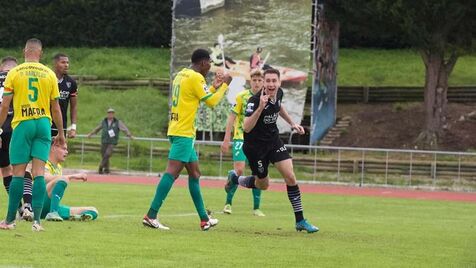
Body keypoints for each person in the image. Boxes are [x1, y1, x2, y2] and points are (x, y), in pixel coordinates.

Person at [143, 48, 232, 231]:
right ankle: (151, 215)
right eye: (209, 64)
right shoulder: (195, 77)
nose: (210, 68)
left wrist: (214, 86)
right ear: (202, 63)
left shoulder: (181, 75)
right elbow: (212, 102)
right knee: (172, 173)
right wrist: (225, 85)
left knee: (195, 174)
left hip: (178, 129)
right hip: (184, 132)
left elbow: (195, 97)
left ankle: (204, 219)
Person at [225, 68, 319, 233]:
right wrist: (260, 108)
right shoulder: (254, 101)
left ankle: (300, 221)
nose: (270, 84)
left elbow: (279, 107)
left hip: (273, 141)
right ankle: (235, 179)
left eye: (274, 81)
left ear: (279, 82)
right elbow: (246, 127)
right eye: (267, 81)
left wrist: (292, 123)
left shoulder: (279, 93)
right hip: (255, 148)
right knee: (263, 185)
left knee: (290, 176)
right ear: (264, 82)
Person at [0, 38, 65, 232]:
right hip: (43, 125)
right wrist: (60, 133)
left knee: (18, 174)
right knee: (38, 174)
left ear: (24, 51)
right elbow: (56, 108)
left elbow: (4, 105)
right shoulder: (49, 74)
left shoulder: (14, 72)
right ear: (41, 53)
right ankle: (37, 222)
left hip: (23, 124)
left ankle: (9, 220)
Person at [221, 70, 265, 216]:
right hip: (241, 137)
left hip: (258, 141)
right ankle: (228, 204)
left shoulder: (266, 98)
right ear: (250, 81)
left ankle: (256, 208)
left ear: (263, 81)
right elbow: (232, 117)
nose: (257, 82)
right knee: (239, 170)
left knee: (258, 173)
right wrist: (227, 138)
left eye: (260, 80)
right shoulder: (242, 96)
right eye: (254, 80)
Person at [0, 56, 34, 221]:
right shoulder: (20, 77)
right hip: (18, 126)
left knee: (6, 169)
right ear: (15, 67)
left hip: (1, 128)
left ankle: (19, 208)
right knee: (24, 168)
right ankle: (28, 206)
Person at [42, 142, 98, 222]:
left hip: (51, 206)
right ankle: (53, 213)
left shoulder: (59, 168)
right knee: (63, 179)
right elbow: (45, 177)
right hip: (38, 205)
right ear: (53, 148)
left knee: (93, 210)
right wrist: (73, 176)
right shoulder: (43, 163)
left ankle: (75, 217)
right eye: (63, 149)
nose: (67, 152)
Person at [87, 108, 132, 174]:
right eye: (109, 113)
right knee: (104, 155)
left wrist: (129, 135)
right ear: (107, 114)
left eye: (112, 113)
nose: (110, 114)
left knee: (108, 154)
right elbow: (97, 128)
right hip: (104, 140)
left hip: (112, 141)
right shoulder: (104, 121)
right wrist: (91, 134)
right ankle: (107, 169)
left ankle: (101, 166)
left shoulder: (117, 122)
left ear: (113, 114)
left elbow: (124, 129)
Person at [51, 53, 78, 138]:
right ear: (55, 64)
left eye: (67, 63)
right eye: (63, 62)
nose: (66, 65)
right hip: (45, 125)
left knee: (60, 151)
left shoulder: (71, 83)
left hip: (61, 127)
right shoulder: (47, 80)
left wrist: (73, 127)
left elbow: (74, 107)